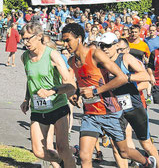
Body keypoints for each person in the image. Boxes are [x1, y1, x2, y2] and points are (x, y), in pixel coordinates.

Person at [62, 23, 156, 168]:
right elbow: (82, 80)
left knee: (124, 152)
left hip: (110, 113)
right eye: (63, 41)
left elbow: (122, 77)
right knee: (84, 156)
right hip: (90, 114)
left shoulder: (95, 54)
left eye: (68, 40)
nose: (65, 44)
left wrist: (95, 91)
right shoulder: (72, 61)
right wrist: (76, 93)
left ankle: (147, 162)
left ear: (79, 38)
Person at [20, 22, 76, 168]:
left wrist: (52, 91)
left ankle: (67, 159)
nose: (25, 42)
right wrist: (27, 98)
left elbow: (70, 84)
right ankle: (61, 162)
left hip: (58, 106)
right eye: (23, 39)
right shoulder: (24, 57)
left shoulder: (53, 55)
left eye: (27, 39)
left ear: (39, 36)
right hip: (38, 108)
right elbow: (30, 79)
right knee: (38, 151)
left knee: (63, 148)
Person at [99, 33, 158, 168]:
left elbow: (145, 76)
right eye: (102, 46)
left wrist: (126, 77)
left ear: (116, 46)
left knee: (146, 144)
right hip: (114, 110)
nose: (104, 49)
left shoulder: (125, 58)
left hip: (133, 107)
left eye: (107, 46)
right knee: (117, 147)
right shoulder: (100, 63)